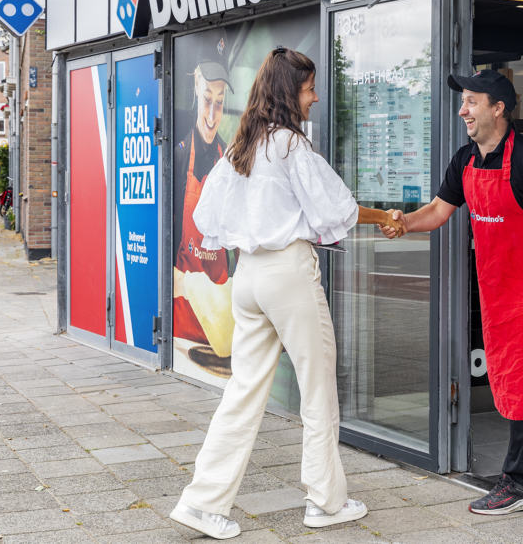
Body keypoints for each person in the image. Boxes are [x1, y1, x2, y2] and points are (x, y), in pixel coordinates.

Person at [170, 47, 405, 540]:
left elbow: (204, 218)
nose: (315, 97)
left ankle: (202, 502)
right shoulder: (291, 146)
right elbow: (334, 208)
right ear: (288, 91)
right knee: (318, 389)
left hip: (248, 277)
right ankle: (325, 501)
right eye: (308, 88)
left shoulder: (241, 146)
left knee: (242, 391)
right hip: (287, 275)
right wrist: (386, 217)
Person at [380, 70, 523, 515]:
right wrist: (403, 222)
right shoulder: (465, 160)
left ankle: (520, 482)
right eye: (463, 101)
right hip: (499, 287)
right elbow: (439, 210)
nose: (463, 110)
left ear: (498, 108)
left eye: (472, 102)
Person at [173, 28, 233, 358]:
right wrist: (183, 283)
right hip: (183, 324)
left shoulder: (230, 157)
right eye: (208, 100)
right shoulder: (179, 152)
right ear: (196, 84)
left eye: (221, 104)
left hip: (220, 325)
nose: (212, 116)